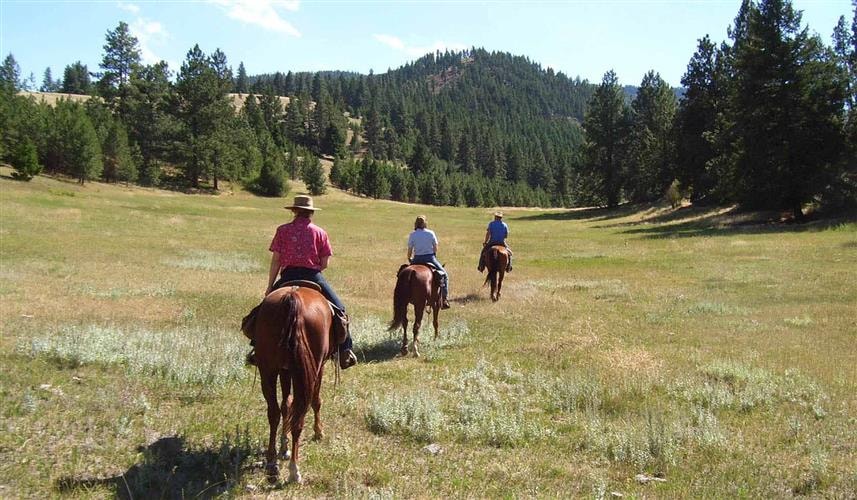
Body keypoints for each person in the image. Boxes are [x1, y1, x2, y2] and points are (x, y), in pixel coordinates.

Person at [247, 195, 356, 369]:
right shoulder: (320, 232)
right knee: (340, 309)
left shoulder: (282, 230)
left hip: (288, 275)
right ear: (311, 212)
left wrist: (270, 287)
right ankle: (345, 351)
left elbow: (276, 260)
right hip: (313, 275)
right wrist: (312, 266)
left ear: (294, 211)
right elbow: (325, 263)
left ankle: (256, 347)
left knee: (262, 311)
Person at [407, 215, 451, 309]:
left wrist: (409, 258)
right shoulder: (431, 233)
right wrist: (434, 254)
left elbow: (410, 250)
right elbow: (435, 248)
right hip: (430, 258)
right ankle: (444, 299)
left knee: (405, 275)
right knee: (444, 275)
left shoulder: (412, 234)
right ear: (425, 223)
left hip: (416, 259)